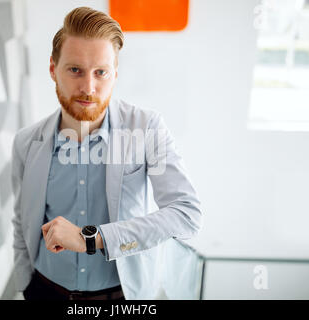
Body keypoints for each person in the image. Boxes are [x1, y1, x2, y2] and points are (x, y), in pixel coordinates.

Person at [11, 7, 202, 300]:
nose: (88, 87)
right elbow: (21, 220)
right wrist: (24, 285)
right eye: (75, 70)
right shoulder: (26, 142)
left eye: (101, 72)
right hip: (45, 290)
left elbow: (185, 214)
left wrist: (92, 239)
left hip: (121, 296)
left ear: (114, 75)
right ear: (53, 69)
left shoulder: (148, 128)